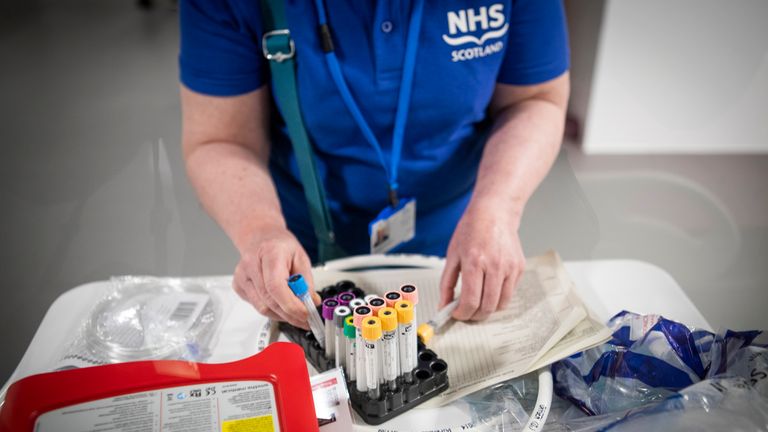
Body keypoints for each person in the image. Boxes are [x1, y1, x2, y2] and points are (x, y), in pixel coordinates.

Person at [179, 0, 570, 330]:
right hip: (302, 244)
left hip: (460, 239)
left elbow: (535, 100)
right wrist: (260, 231)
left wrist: (498, 209)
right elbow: (221, 138)